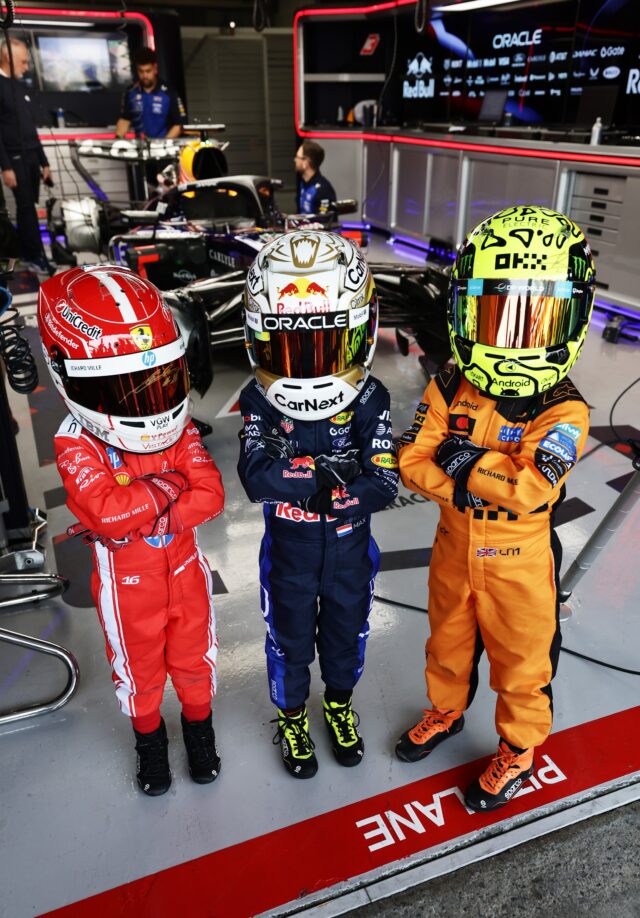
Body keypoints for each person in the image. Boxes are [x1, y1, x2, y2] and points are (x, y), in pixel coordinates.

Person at [396, 205, 595, 812]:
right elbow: (411, 458)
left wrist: (461, 462)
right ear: (464, 312)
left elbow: (532, 487)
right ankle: (446, 712)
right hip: (455, 547)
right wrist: (472, 481)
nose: (515, 336)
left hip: (522, 562)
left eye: (538, 320)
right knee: (446, 644)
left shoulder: (564, 408)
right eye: (496, 313)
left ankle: (518, 749)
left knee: (523, 661)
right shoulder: (451, 384)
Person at [37, 265, 225, 797]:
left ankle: (200, 734)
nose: (144, 399)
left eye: (154, 380)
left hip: (186, 574)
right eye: (119, 386)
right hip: (127, 589)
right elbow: (104, 513)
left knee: (195, 659)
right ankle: (149, 744)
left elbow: (212, 494)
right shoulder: (76, 438)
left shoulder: (179, 422)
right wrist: (171, 487)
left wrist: (147, 509)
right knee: (138, 672)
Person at [237, 231, 398, 778]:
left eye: (327, 343)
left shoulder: (372, 395)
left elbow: (385, 482)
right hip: (288, 557)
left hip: (352, 556)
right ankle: (290, 718)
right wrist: (336, 478)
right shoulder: (257, 395)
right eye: (287, 345)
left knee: (346, 637)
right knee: (288, 644)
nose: (307, 361)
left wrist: (306, 477)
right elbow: (255, 477)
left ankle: (337, 706)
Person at [0, 38, 52, 275]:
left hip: (32, 155)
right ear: (8, 57)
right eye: (24, 61)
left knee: (31, 205)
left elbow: (31, 128)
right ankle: (33, 256)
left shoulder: (19, 87)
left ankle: (35, 251)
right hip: (14, 158)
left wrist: (44, 161)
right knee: (26, 208)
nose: (27, 66)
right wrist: (6, 166)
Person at [115, 46, 187, 141]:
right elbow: (124, 120)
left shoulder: (169, 92)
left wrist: (162, 144)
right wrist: (118, 141)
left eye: (148, 71)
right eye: (141, 71)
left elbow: (179, 124)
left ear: (155, 68)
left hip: (164, 148)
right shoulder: (131, 92)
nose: (145, 75)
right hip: (140, 148)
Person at [295, 140, 337, 215]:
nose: (295, 160)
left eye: (298, 157)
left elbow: (324, 219)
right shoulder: (302, 184)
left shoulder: (324, 189)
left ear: (305, 162)